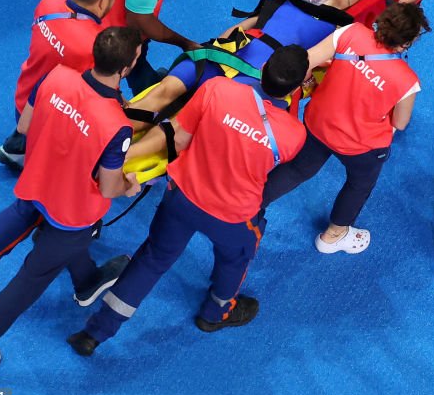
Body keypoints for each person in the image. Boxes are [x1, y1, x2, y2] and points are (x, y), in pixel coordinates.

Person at [66, 46, 310, 356]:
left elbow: (179, 136)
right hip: (233, 217)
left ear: (262, 70)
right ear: (297, 86)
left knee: (152, 259)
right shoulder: (294, 134)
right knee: (235, 261)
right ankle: (216, 313)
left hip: (182, 198)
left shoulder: (217, 89)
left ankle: (95, 332)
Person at [0, 27, 144, 372]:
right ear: (126, 68)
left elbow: (25, 127)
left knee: (16, 220)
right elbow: (109, 188)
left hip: (38, 181)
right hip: (71, 213)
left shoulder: (56, 76)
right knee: (29, 283)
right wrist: (130, 186)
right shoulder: (116, 125)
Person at [259, 3, 428, 254]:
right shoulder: (408, 81)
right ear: (406, 43)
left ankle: (250, 205)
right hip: (361, 147)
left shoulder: (351, 32)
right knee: (359, 184)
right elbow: (400, 123)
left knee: (297, 169)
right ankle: (333, 236)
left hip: (318, 123)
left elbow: (308, 61)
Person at [124, 0, 355, 129]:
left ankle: (110, 138)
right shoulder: (338, 30)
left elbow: (239, 29)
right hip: (244, 79)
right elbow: (308, 73)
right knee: (182, 120)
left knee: (165, 96)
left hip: (224, 61)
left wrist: (217, 47)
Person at [0, 0, 123, 171]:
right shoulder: (95, 44)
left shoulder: (50, 1)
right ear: (102, 1)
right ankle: (33, 155)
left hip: (23, 101)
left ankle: (19, 143)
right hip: (48, 119)